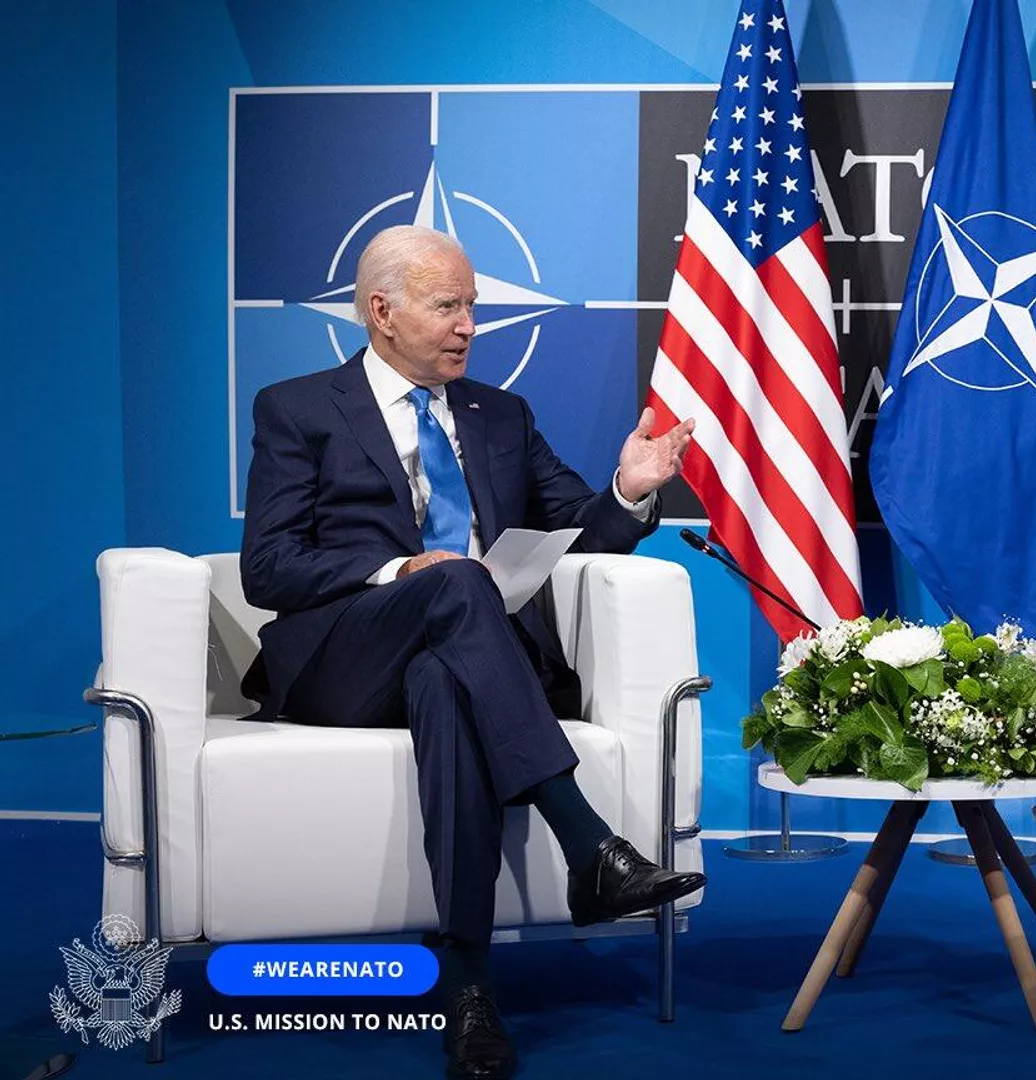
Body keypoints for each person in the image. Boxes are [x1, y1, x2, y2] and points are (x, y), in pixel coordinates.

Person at [239, 225, 704, 1080]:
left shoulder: (502, 415)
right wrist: (399, 568)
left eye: (473, 308)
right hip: (345, 663)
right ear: (382, 312)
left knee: (445, 685)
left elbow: (581, 535)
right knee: (453, 586)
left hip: (466, 665)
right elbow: (267, 567)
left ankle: (469, 989)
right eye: (447, 306)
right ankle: (590, 845)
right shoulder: (297, 408)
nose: (468, 327)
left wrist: (630, 492)